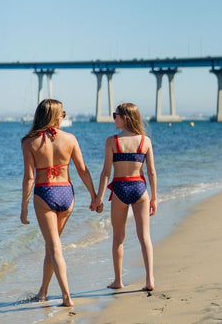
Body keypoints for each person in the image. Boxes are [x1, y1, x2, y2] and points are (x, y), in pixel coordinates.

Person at [21, 99, 98, 307]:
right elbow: (83, 170)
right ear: (56, 116)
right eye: (62, 114)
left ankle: (66, 297)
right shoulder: (70, 139)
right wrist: (94, 195)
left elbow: (29, 178)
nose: (63, 117)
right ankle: (43, 292)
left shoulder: (29, 142)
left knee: (54, 246)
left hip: (44, 193)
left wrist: (24, 208)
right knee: (51, 247)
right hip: (67, 193)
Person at [92, 103, 157, 291]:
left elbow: (105, 172)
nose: (114, 118)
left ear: (125, 118)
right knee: (145, 236)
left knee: (118, 237)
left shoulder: (112, 142)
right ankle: (149, 279)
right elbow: (151, 172)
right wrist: (154, 197)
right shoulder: (145, 141)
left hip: (120, 188)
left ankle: (118, 281)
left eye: (115, 115)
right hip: (139, 188)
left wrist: (99, 198)